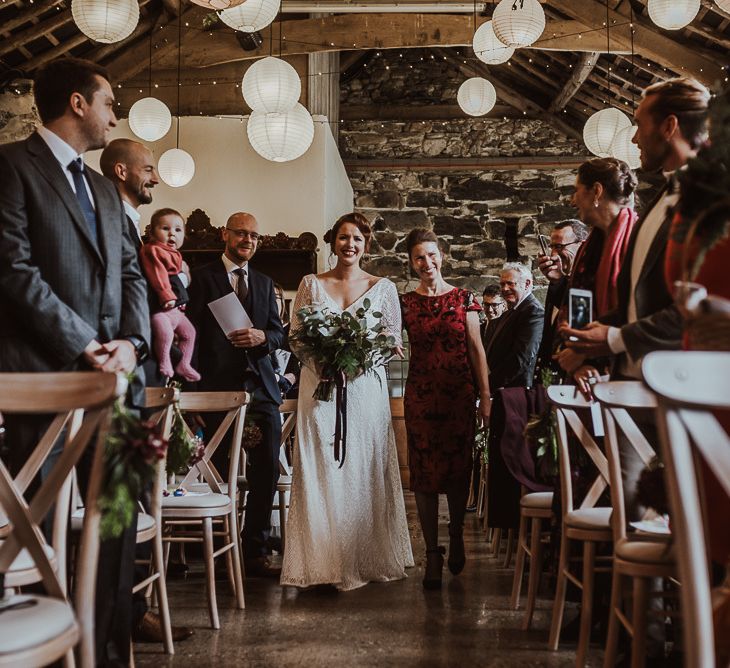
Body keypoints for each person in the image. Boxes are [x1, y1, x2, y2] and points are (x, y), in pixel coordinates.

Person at [0, 57, 150, 666]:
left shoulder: (104, 191)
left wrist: (133, 345)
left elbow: (135, 274)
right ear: (78, 103)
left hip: (115, 389)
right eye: (109, 100)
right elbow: (12, 268)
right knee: (46, 531)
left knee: (113, 528)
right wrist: (83, 341)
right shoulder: (11, 167)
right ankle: (52, 650)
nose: (116, 112)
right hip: (42, 379)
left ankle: (108, 648)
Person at [561, 77, 710, 662]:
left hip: (687, 395)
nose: (634, 136)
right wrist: (598, 345)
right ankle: (635, 649)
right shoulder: (655, 210)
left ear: (669, 126)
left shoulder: (706, 202)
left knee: (694, 548)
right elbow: (634, 301)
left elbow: (690, 310)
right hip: (639, 394)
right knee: (642, 540)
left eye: (641, 124)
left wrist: (614, 338)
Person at [281, 212, 413, 591]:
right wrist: (324, 363)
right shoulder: (311, 284)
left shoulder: (383, 288)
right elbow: (297, 336)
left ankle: (362, 557)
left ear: (366, 245)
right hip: (319, 385)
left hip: (364, 389)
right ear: (332, 242)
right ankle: (322, 561)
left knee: (363, 466)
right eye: (343, 238)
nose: (349, 244)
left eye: (356, 238)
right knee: (320, 463)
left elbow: (390, 339)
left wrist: (355, 363)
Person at [99, 131, 194, 645]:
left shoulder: (135, 228)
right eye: (149, 167)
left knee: (134, 492)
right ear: (122, 171)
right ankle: (123, 612)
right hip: (115, 372)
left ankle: (130, 608)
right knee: (122, 495)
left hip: (139, 374)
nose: (156, 175)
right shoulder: (105, 215)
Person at [187, 211, 286, 577]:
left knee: (265, 474)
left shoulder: (264, 283)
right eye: (241, 234)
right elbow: (189, 337)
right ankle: (212, 550)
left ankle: (254, 551)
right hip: (214, 388)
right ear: (224, 234)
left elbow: (279, 334)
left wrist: (263, 337)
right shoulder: (201, 279)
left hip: (260, 388)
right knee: (215, 473)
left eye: (254, 236)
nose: (248, 241)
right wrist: (192, 393)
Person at [400, 228, 490, 589]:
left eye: (432, 255)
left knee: (457, 468)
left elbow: (477, 349)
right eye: (419, 257)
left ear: (442, 256)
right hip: (420, 395)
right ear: (411, 262)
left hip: (458, 395)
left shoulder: (464, 298)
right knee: (423, 474)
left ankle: (455, 534)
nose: (427, 262)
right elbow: (390, 340)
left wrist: (485, 396)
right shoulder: (404, 302)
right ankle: (431, 553)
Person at [553, 158, 638, 395]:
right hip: (587, 370)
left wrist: (587, 354)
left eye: (577, 190)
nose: (573, 199)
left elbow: (635, 309)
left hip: (626, 370)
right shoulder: (589, 246)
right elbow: (578, 304)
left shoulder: (636, 239)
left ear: (597, 191)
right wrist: (580, 360)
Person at [140, 208, 200, 382]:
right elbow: (157, 275)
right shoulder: (153, 251)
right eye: (165, 229)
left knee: (190, 333)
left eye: (178, 230)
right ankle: (165, 361)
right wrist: (167, 295)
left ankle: (184, 363)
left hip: (177, 311)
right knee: (165, 333)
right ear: (152, 232)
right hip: (162, 310)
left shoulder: (177, 255)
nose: (172, 234)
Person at [534, 219, 588, 378]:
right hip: (550, 380)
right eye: (551, 247)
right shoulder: (557, 284)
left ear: (581, 245)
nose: (553, 255)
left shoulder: (587, 283)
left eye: (559, 247)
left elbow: (579, 326)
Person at [484, 263, 544, 391]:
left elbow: (521, 359)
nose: (505, 289)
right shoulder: (511, 311)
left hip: (516, 390)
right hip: (502, 388)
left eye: (511, 283)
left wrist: (488, 384)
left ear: (527, 284)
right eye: (502, 284)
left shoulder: (534, 312)